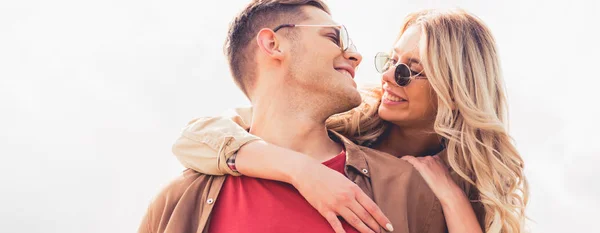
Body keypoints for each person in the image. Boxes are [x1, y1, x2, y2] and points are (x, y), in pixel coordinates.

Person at [171, 8, 529, 233]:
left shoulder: (453, 186)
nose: (388, 78)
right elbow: (198, 136)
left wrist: (452, 199)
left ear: (454, 93)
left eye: (408, 72)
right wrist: (304, 171)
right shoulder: (340, 119)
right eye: (390, 61)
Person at [138, 1, 445, 233]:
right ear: (273, 44)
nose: (355, 55)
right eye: (334, 37)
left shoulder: (408, 190)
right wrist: (300, 170)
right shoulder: (177, 201)